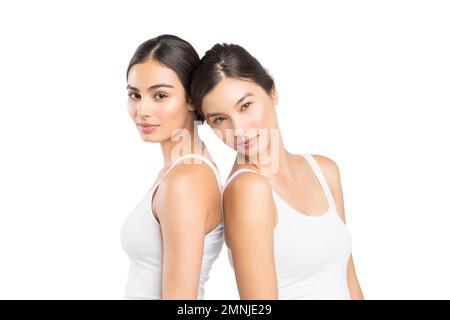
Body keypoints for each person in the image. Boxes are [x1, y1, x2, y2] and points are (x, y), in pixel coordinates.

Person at [190, 43, 364, 299]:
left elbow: (349, 280)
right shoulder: (247, 189)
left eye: (245, 106)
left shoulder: (324, 170)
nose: (239, 129)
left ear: (272, 92)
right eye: (219, 119)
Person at [121, 35, 223, 299]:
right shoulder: (177, 171)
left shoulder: (186, 180)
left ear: (192, 99)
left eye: (160, 95)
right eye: (135, 95)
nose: (142, 109)